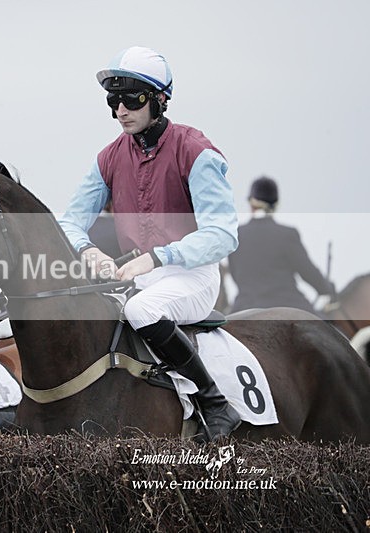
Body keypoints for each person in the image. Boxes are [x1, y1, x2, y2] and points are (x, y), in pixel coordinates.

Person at [58, 46, 241, 441]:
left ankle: (214, 403)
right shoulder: (107, 157)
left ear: (159, 100)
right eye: (113, 101)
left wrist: (159, 257)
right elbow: (69, 221)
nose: (120, 110)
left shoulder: (196, 151)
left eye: (131, 99)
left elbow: (224, 234)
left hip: (194, 276)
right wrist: (88, 251)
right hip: (141, 275)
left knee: (140, 309)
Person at [228, 176, 335, 314]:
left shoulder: (235, 235)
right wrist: (327, 288)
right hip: (287, 305)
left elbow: (235, 274)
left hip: (244, 308)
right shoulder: (287, 234)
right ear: (276, 204)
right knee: (329, 332)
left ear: (251, 204)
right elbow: (307, 272)